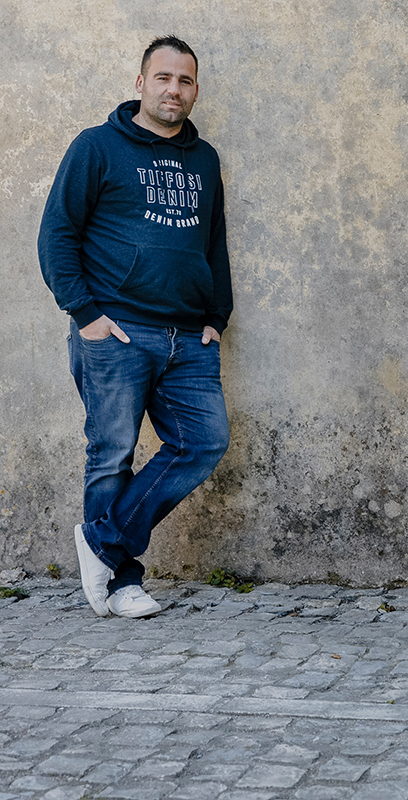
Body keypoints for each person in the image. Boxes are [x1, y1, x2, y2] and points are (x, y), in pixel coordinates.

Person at [38, 35, 232, 619]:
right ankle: (122, 584)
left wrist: (216, 317)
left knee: (204, 441)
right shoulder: (97, 147)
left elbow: (213, 243)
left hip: (189, 338)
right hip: (117, 331)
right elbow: (57, 234)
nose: (175, 89)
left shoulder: (205, 159)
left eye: (186, 81)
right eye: (164, 78)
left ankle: (101, 541)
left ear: (195, 91)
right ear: (141, 83)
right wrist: (85, 315)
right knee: (112, 455)